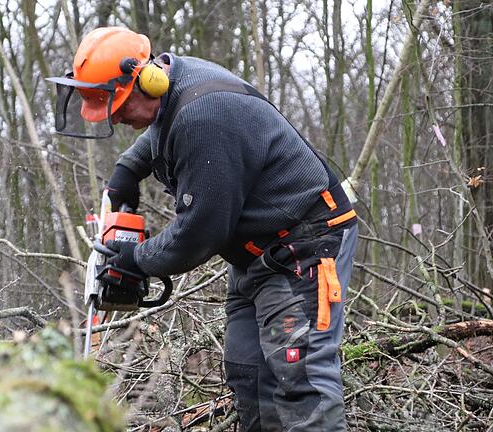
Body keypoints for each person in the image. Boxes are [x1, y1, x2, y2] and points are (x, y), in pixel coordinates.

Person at [47, 26, 358, 431]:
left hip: (305, 242)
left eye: (119, 106)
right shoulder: (175, 84)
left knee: (300, 378)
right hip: (254, 254)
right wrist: (128, 169)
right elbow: (162, 124)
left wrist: (137, 260)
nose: (117, 116)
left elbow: (201, 231)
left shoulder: (205, 116)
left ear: (146, 81)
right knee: (248, 371)